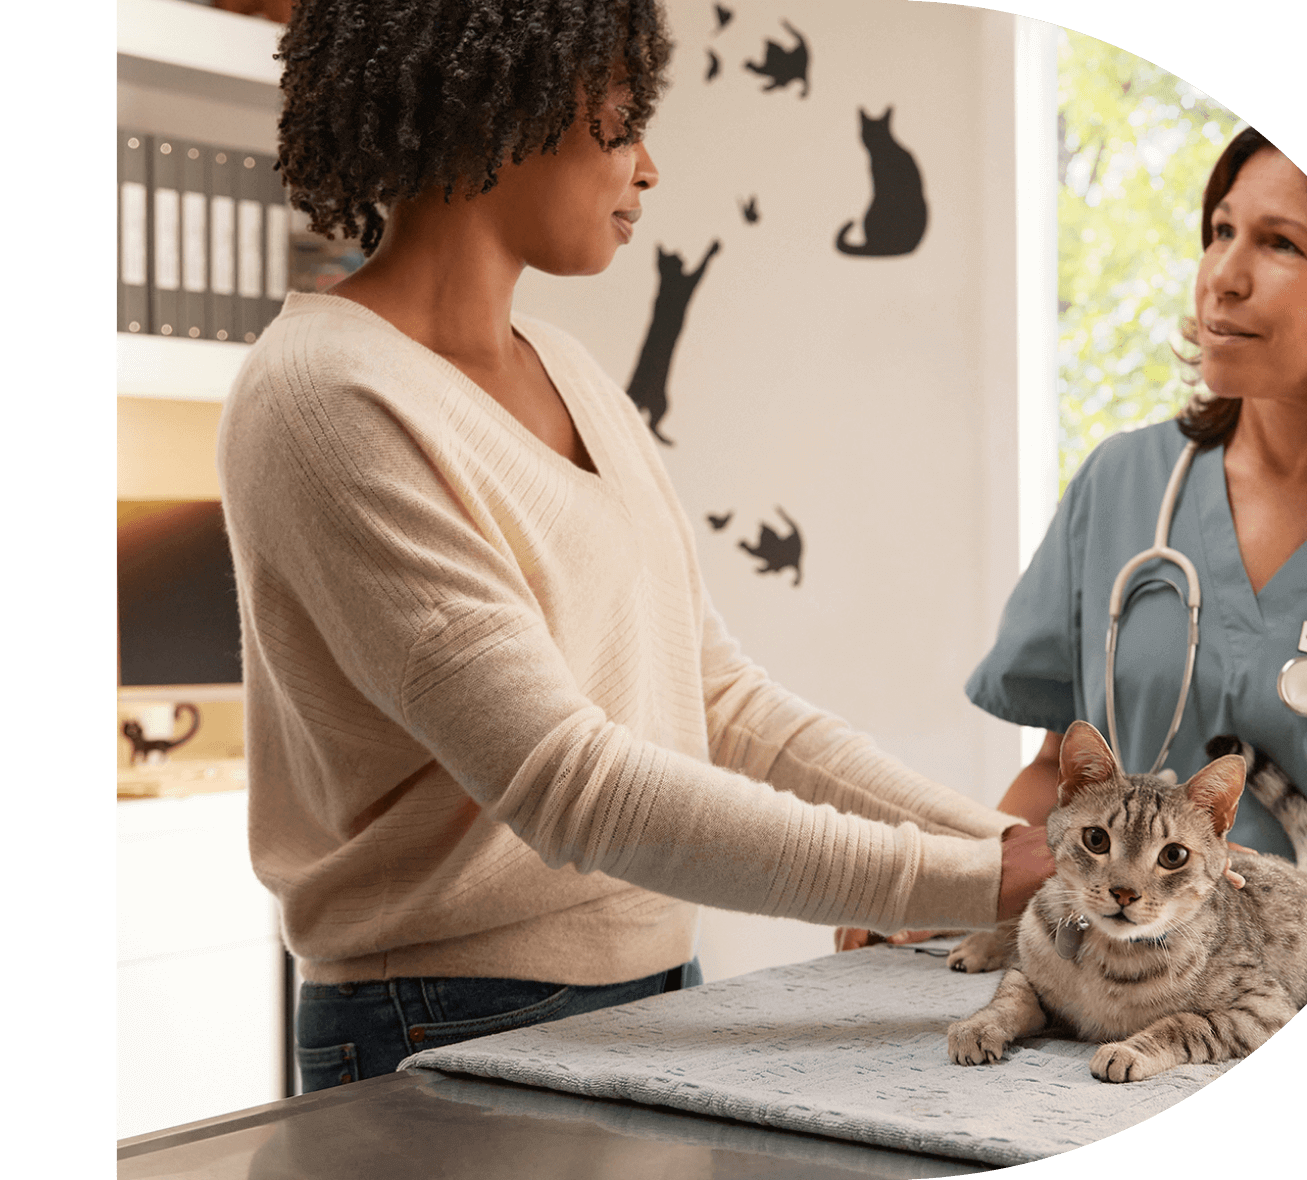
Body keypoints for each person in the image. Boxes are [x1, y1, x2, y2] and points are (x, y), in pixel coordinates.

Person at [219, 0, 1048, 1092]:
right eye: (616, 125)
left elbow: (720, 700)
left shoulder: (568, 370)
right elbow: (572, 782)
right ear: (490, 110)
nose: (648, 169)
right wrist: (963, 880)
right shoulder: (324, 398)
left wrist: (1019, 857)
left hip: (658, 986)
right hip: (442, 1020)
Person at [968, 127, 1307, 951]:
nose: (1222, 278)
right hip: (1100, 1004)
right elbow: (1053, 774)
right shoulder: (1122, 482)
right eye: (1220, 232)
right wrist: (950, 887)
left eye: (1279, 244)